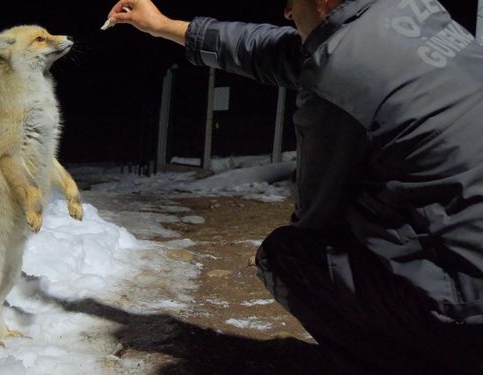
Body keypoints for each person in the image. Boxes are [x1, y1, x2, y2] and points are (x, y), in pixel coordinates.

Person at [106, 0, 483, 373]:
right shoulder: (415, 11)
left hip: (470, 312)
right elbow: (281, 51)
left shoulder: (340, 73)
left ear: (322, 3)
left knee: (289, 256)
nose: (286, 12)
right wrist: (164, 25)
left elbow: (317, 211)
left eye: (291, 3)